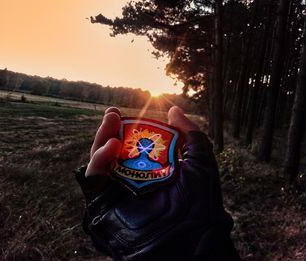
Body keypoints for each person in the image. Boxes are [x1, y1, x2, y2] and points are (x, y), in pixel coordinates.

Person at [75, 106, 240, 261]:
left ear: (153, 147)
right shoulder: (137, 165)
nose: (144, 149)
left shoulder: (156, 167)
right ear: (137, 145)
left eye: (148, 146)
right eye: (141, 145)